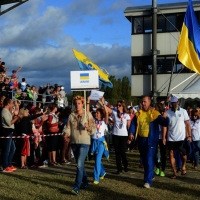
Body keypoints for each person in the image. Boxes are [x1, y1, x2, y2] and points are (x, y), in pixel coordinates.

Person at [129, 96, 169, 188]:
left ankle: (147, 181)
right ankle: (151, 175)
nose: (143, 103)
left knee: (149, 159)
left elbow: (164, 123)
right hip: (141, 140)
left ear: (149, 102)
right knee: (144, 160)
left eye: (145, 102)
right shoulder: (138, 113)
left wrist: (165, 118)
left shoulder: (154, 113)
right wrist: (131, 132)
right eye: (142, 102)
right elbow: (133, 124)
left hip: (151, 141)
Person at [62, 95, 96, 196]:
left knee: (79, 165)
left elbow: (93, 128)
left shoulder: (88, 114)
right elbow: (67, 127)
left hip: (85, 142)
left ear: (82, 104)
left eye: (79, 103)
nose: (77, 105)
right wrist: (66, 134)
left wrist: (88, 127)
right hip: (74, 142)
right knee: (80, 165)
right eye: (76, 104)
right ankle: (85, 182)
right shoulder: (71, 116)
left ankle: (76, 186)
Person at [163, 96, 191, 179]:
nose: (174, 104)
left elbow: (188, 124)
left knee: (182, 154)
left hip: (181, 137)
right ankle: (174, 172)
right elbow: (165, 126)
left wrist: (189, 135)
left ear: (178, 102)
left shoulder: (183, 111)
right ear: (171, 103)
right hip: (171, 137)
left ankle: (183, 166)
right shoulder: (167, 112)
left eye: (175, 102)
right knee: (171, 153)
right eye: (172, 102)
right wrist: (164, 137)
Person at [87, 96, 109, 184]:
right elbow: (88, 112)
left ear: (101, 114)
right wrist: (88, 101)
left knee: (97, 159)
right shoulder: (93, 121)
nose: (96, 114)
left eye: (98, 113)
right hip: (94, 142)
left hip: (101, 142)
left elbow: (107, 112)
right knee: (97, 159)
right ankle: (103, 172)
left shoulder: (104, 121)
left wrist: (103, 103)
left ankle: (96, 178)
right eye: (96, 113)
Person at [1, 98, 21, 172]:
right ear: (8, 103)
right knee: (7, 150)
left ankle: (9, 164)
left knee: (13, 148)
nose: (12, 104)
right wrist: (17, 118)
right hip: (7, 132)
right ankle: (5, 166)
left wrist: (16, 114)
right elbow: (9, 123)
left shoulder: (7, 111)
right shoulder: (4, 112)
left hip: (10, 132)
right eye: (11, 103)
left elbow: (12, 116)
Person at [112, 100, 130, 174]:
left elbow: (128, 127)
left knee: (122, 152)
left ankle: (125, 165)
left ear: (122, 106)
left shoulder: (126, 115)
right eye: (117, 105)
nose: (118, 106)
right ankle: (119, 168)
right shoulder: (115, 113)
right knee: (117, 153)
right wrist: (102, 102)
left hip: (123, 135)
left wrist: (129, 137)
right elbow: (107, 109)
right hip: (115, 134)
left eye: (119, 105)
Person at [154, 103, 167, 177]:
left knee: (163, 154)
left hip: (162, 137)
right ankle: (157, 167)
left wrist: (164, 137)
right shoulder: (154, 115)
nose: (154, 108)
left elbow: (164, 126)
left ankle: (163, 169)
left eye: (156, 107)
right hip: (155, 136)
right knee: (155, 153)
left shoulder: (163, 115)